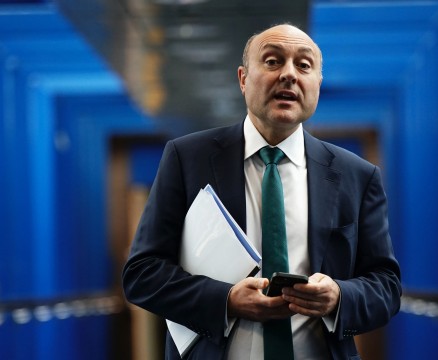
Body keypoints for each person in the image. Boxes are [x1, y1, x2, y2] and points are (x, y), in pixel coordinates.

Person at [122, 24, 401, 359]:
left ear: (317, 84)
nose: (288, 75)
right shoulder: (187, 159)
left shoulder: (357, 175)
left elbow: (386, 286)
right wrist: (225, 300)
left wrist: (339, 296)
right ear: (243, 79)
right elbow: (142, 274)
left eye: (304, 65)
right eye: (272, 61)